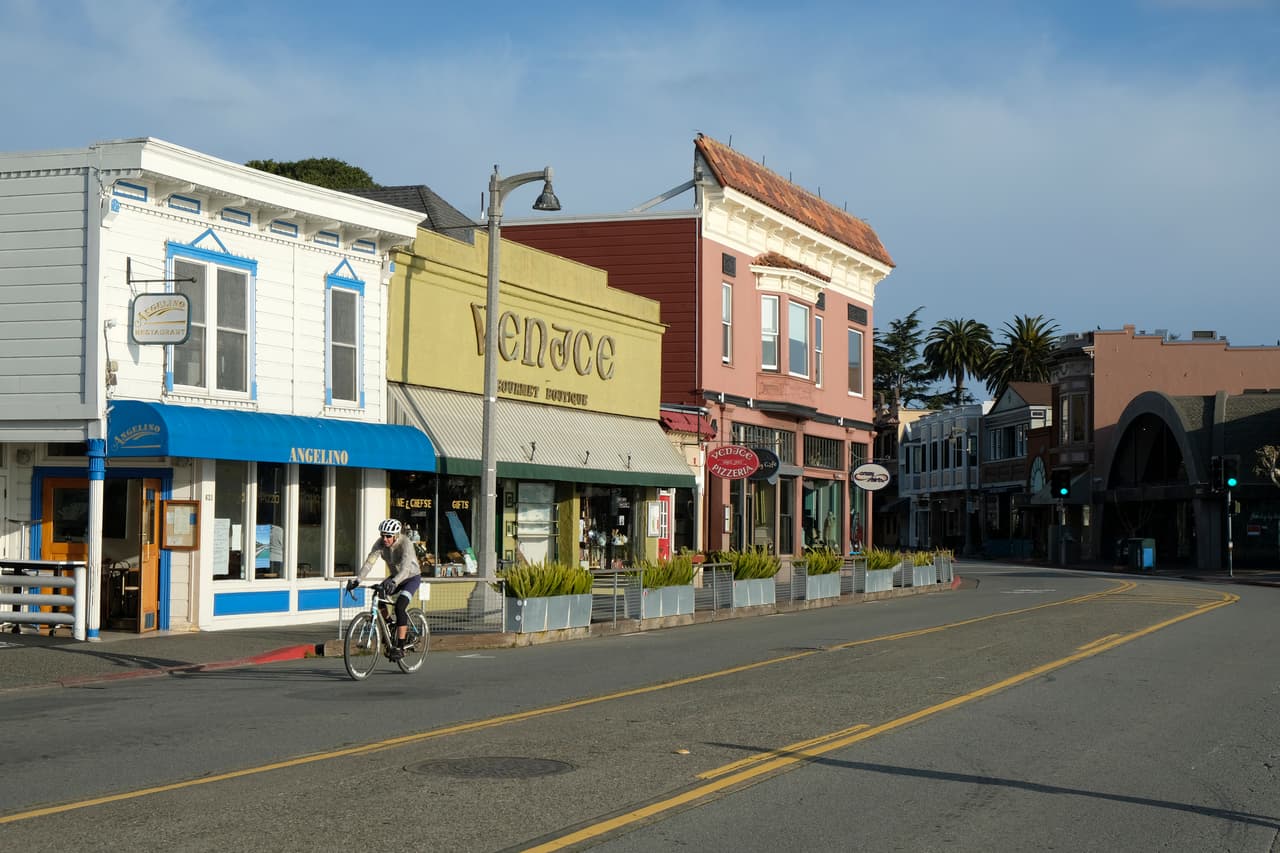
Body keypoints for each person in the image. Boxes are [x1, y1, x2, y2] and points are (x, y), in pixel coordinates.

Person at [345, 518, 421, 660]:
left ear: (396, 535)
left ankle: (400, 647)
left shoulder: (406, 544)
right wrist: (357, 580)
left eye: (388, 536)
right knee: (378, 595)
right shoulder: (380, 544)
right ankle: (391, 624)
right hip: (394, 577)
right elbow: (369, 563)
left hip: (411, 578)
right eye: (382, 535)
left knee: (400, 606)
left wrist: (394, 581)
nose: (384, 539)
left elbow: (405, 570)